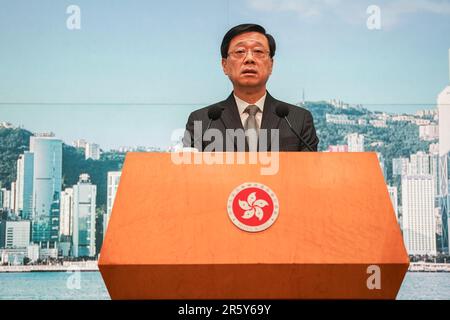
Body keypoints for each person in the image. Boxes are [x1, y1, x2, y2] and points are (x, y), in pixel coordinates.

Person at [183, 23, 319, 152]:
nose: (249, 59)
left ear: (271, 65)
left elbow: (309, 172)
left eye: (258, 51)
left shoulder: (298, 120)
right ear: (225, 65)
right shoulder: (203, 121)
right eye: (240, 51)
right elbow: (188, 172)